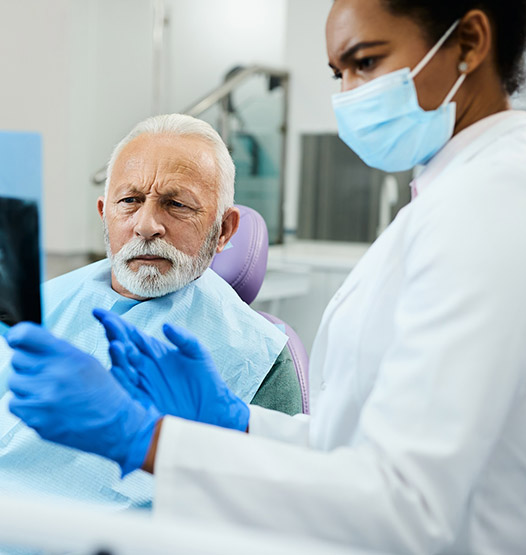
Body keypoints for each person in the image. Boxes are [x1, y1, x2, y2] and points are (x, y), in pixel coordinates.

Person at [5, 0, 526, 553]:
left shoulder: (501, 213)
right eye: (336, 73)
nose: (348, 94)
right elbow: (360, 447)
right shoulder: (453, 201)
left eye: (366, 62)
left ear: (470, 42)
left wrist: (143, 440)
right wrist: (237, 422)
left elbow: (408, 505)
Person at [0, 114, 301, 510]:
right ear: (104, 214)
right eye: (130, 201)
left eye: (176, 204)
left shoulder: (259, 355)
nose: (146, 225)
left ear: (224, 229)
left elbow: (276, 508)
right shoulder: (39, 304)